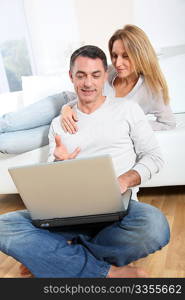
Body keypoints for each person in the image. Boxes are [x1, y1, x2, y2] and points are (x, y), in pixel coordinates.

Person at [0, 45, 170, 278]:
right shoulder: (59, 123)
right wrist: (58, 163)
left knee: (155, 226)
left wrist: (123, 180)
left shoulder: (128, 110)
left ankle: (54, 257)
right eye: (81, 75)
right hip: (66, 213)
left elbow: (154, 157)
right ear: (71, 77)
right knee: (4, 225)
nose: (88, 83)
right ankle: (106, 272)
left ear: (105, 77)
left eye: (95, 75)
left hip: (118, 213)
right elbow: (52, 180)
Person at [0, 25, 176, 154]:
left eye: (126, 56)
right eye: (114, 55)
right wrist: (66, 108)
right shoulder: (109, 71)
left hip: (75, 125)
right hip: (64, 104)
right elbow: (86, 92)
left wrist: (132, 124)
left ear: (140, 55)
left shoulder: (153, 90)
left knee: (6, 143)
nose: (118, 63)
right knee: (8, 122)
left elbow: (168, 123)